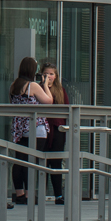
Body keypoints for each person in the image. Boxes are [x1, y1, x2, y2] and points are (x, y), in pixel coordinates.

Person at [8, 56, 54, 206]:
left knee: (19, 160)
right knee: (32, 161)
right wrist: (46, 85)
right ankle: (29, 194)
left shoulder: (14, 85)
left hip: (19, 128)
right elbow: (49, 101)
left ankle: (19, 193)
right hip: (35, 128)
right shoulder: (32, 85)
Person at [40, 62, 70, 204]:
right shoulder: (39, 88)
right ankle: (41, 193)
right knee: (42, 162)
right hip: (43, 129)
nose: (49, 76)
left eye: (51, 74)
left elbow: (66, 109)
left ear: (56, 76)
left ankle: (58, 195)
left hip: (57, 129)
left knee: (56, 162)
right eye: (46, 74)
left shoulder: (60, 90)